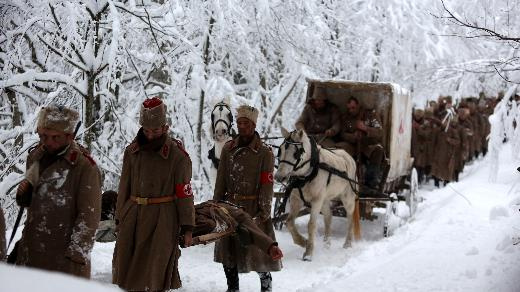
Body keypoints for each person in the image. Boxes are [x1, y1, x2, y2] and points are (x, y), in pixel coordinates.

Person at [112, 97, 195, 291]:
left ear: (165, 127)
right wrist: (120, 217)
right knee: (125, 267)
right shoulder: (132, 152)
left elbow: (184, 194)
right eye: (147, 131)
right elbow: (124, 186)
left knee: (155, 272)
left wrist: (188, 227)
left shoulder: (177, 156)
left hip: (163, 219)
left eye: (156, 130)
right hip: (132, 216)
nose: (150, 135)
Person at [14, 104, 101, 278]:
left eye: (55, 137)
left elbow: (88, 217)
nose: (48, 142)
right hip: (31, 253)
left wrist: (75, 258)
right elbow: (30, 200)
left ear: (70, 136)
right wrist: (23, 194)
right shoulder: (36, 156)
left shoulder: (84, 167)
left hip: (62, 261)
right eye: (43, 136)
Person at [213, 105, 282, 292]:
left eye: (245, 123)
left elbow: (267, 185)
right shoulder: (228, 149)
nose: (241, 126)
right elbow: (221, 179)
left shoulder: (264, 152)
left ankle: (266, 287)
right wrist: (216, 204)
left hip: (253, 209)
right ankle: (232, 288)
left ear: (253, 125)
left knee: (258, 253)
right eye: (239, 123)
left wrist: (264, 212)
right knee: (228, 252)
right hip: (229, 207)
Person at [189, 200, 283, 261]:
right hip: (193, 213)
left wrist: (270, 246)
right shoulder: (225, 210)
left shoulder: (237, 216)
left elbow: (248, 224)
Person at [335, 96, 384, 194]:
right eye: (349, 108)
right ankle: (339, 180)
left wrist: (366, 128)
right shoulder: (346, 117)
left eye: (353, 108)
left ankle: (370, 184)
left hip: (368, 144)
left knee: (378, 150)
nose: (351, 110)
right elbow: (342, 134)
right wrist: (352, 136)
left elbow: (379, 132)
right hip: (352, 145)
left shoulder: (371, 115)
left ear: (358, 105)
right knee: (339, 149)